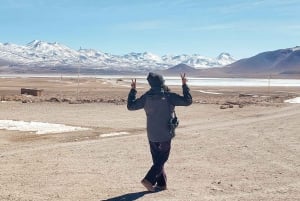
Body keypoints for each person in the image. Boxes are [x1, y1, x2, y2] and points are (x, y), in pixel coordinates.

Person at [127, 72, 192, 192]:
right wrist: (184, 85)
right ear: (162, 82)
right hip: (165, 133)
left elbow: (131, 106)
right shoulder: (168, 96)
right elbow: (187, 101)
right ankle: (148, 179)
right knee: (162, 159)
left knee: (157, 160)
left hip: (151, 134)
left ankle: (161, 184)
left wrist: (133, 90)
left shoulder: (146, 97)